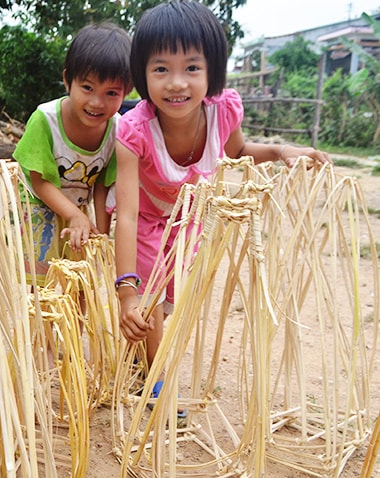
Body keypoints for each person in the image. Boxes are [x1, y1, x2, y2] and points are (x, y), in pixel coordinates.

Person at [113, 0, 332, 411]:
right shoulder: (133, 131)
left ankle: (147, 357)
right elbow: (125, 213)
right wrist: (125, 290)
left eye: (192, 68)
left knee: (174, 302)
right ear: (141, 74)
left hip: (192, 221)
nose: (177, 83)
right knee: (149, 299)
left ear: (212, 70)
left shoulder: (223, 112)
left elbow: (241, 150)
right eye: (161, 69)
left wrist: (284, 150)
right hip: (145, 220)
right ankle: (159, 382)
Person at [13, 22, 132, 286]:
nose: (96, 102)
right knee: (38, 286)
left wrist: (101, 233)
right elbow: (39, 181)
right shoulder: (45, 120)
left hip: (79, 210)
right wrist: (74, 215)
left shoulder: (118, 130)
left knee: (82, 280)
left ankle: (75, 328)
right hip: (38, 210)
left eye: (111, 93)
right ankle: (38, 329)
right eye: (87, 88)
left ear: (127, 92)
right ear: (68, 80)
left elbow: (102, 184)